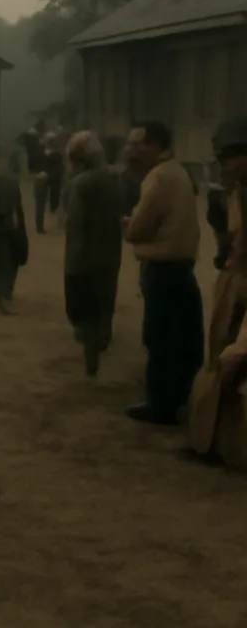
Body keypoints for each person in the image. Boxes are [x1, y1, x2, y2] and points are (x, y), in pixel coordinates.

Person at [122, 121, 203, 425]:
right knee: (184, 337)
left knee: (160, 337)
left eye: (136, 144)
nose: (130, 151)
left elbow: (139, 228)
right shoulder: (179, 172)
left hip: (162, 268)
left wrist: (126, 225)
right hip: (183, 267)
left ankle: (160, 403)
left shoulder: (157, 178)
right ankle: (180, 396)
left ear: (155, 145)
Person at [187, 117, 247, 468]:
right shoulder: (232, 194)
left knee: (236, 359)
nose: (227, 164)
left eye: (234, 156)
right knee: (220, 355)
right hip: (234, 281)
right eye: (223, 158)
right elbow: (227, 245)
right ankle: (213, 439)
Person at [63, 131, 124, 376]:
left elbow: (75, 225)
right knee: (104, 303)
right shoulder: (114, 179)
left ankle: (91, 353)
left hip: (84, 256)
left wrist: (72, 263)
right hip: (110, 253)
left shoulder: (81, 184)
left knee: (82, 311)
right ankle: (103, 334)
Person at [0, 158, 28, 313]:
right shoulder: (14, 181)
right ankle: (6, 292)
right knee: (11, 259)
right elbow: (17, 203)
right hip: (11, 222)